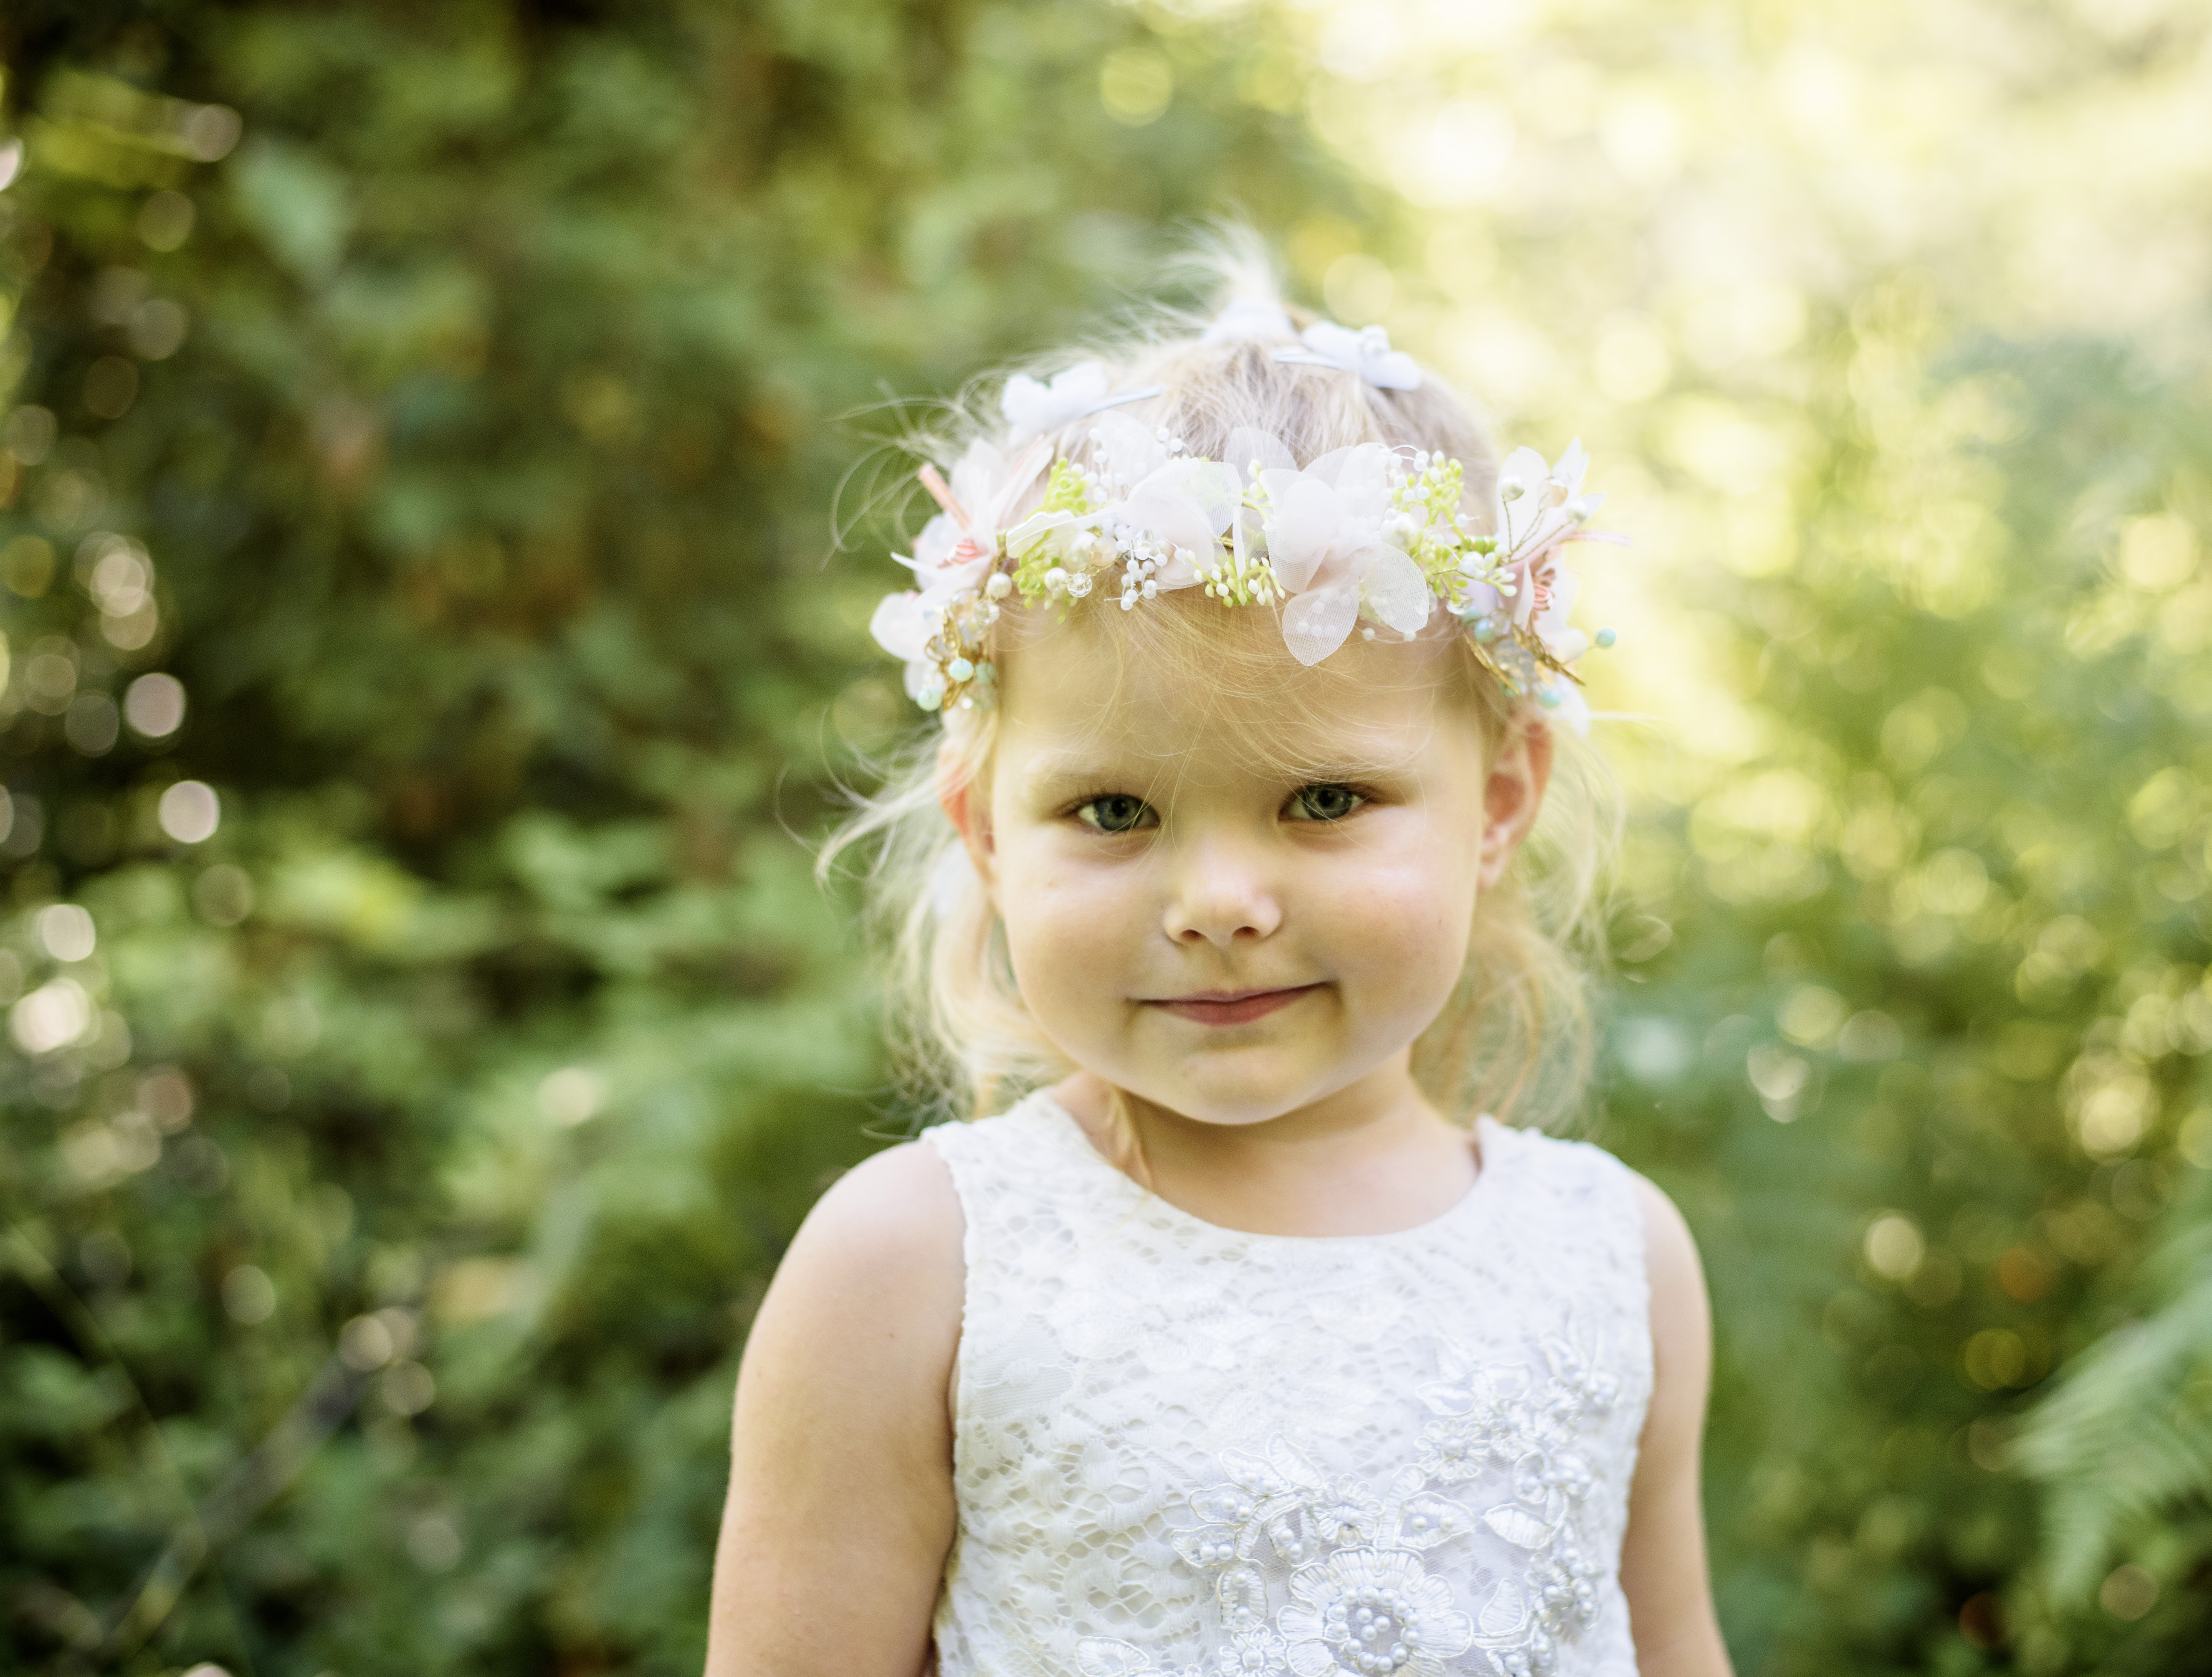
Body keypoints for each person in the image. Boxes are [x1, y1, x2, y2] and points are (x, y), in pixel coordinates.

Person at [705, 250, 1731, 1677]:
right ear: (989, 835)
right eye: (1113, 812)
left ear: (1499, 802)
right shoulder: (913, 1267)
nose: (1220, 903)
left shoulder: (1618, 1260)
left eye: (1323, 802)